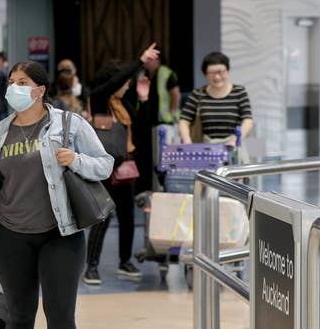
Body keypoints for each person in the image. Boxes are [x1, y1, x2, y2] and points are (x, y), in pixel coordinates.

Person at [0, 61, 113, 329]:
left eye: (23, 83)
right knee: (19, 317)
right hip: (8, 237)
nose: (14, 87)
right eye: (12, 82)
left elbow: (105, 164)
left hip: (60, 234)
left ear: (39, 90)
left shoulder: (69, 124)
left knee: (61, 318)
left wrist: (75, 160)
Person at [83, 44, 160, 285]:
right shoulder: (97, 99)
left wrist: (144, 100)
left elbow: (142, 126)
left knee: (127, 216)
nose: (127, 85)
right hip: (104, 167)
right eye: (124, 82)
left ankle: (125, 261)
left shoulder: (123, 104)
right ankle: (91, 267)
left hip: (126, 166)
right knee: (102, 217)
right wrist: (139, 61)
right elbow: (117, 81)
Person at [179, 51, 253, 163]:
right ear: (206, 74)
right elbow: (184, 121)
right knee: (207, 180)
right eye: (211, 73)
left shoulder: (239, 92)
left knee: (235, 179)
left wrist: (235, 140)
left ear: (227, 71)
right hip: (207, 151)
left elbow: (247, 120)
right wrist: (187, 142)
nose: (217, 77)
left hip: (234, 148)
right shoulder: (198, 94)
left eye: (220, 72)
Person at [125, 49, 181, 192]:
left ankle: (163, 187)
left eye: (151, 59)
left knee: (161, 156)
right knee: (145, 155)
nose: (147, 62)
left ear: (158, 60)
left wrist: (173, 112)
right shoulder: (142, 75)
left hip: (163, 122)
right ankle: (145, 188)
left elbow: (175, 94)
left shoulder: (166, 73)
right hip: (145, 122)